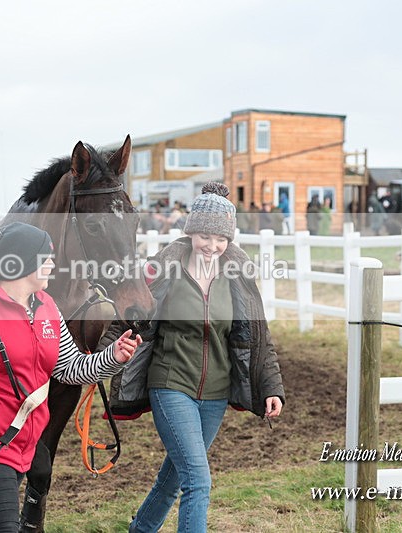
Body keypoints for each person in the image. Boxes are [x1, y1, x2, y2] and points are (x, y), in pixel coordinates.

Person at [0, 222, 142, 533]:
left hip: (22, 442)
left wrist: (113, 357)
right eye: (45, 257)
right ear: (21, 263)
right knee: (4, 526)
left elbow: (70, 369)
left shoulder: (46, 307)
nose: (53, 263)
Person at [108, 182, 285, 533]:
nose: (212, 246)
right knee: (198, 480)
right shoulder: (163, 270)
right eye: (205, 236)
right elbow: (129, 316)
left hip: (216, 393)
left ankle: (140, 529)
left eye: (221, 240)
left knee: (175, 475)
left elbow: (258, 337)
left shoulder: (238, 276)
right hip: (171, 384)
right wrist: (107, 352)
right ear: (191, 232)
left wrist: (271, 387)